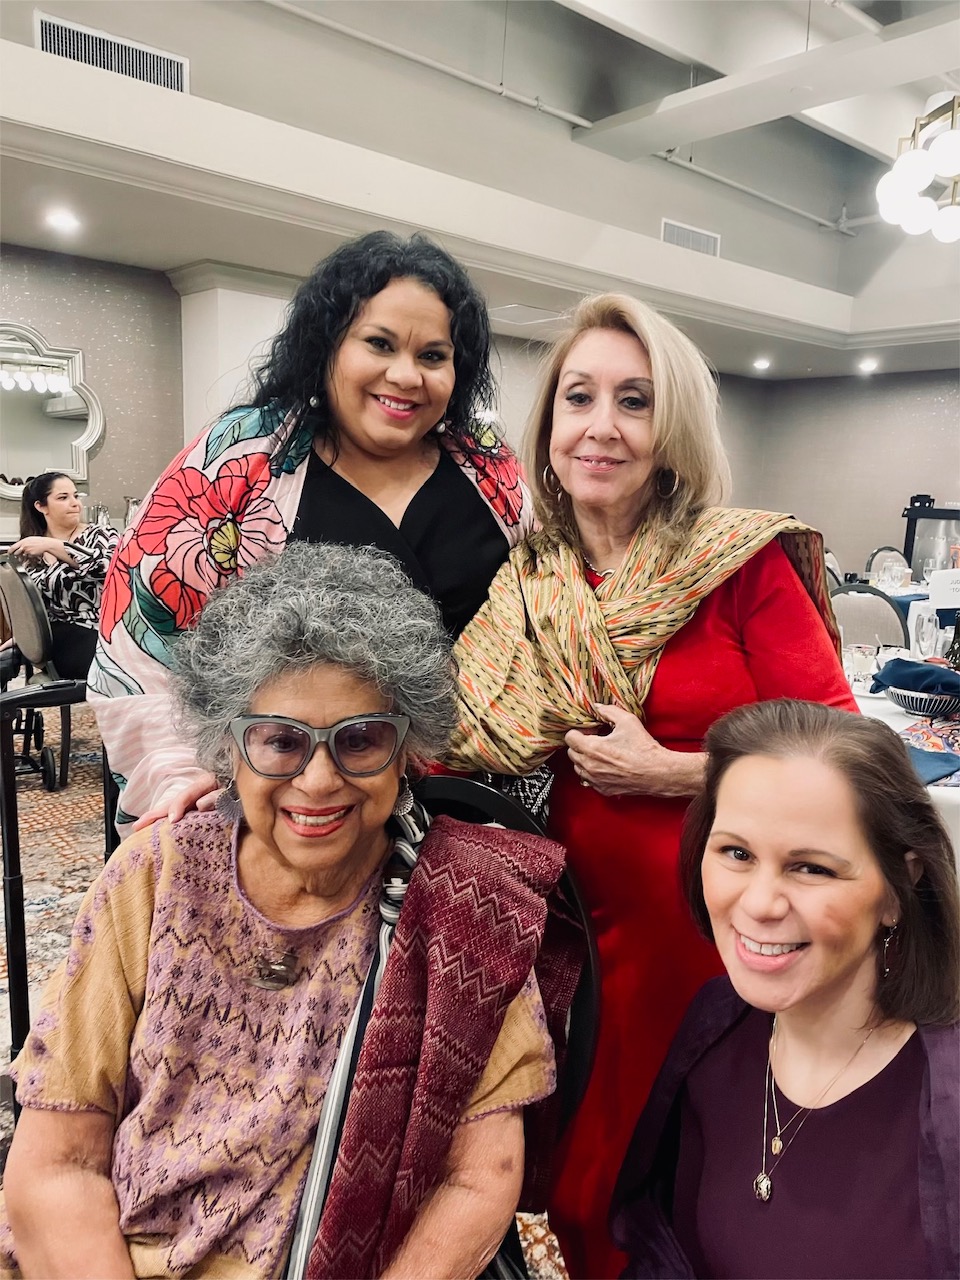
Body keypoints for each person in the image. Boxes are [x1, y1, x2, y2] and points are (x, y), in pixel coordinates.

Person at [1, 542, 579, 1280]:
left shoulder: (465, 908)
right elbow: (59, 1165)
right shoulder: (155, 877)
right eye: (280, 741)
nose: (318, 780)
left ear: (408, 747)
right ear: (228, 746)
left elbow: (478, 1178)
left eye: (360, 740)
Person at [447, 293, 858, 1277]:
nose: (602, 425)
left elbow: (844, 748)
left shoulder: (738, 564)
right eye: (579, 397)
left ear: (670, 431)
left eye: (634, 401)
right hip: (589, 940)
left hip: (737, 933)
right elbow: (451, 736)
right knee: (596, 1185)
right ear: (548, 425)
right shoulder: (529, 583)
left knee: (734, 1184)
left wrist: (673, 772)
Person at [88, 229, 534, 830]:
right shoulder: (242, 461)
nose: (406, 376)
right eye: (379, 343)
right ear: (327, 345)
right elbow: (138, 639)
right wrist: (187, 770)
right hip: (296, 801)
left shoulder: (489, 472)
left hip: (477, 809)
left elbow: (542, 615)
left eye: (433, 356)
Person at [612, 699, 960, 1280]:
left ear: (898, 889)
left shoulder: (945, 1106)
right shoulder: (713, 1032)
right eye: (737, 853)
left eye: (811, 868)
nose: (759, 903)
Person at [7, 472, 119, 679]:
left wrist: (52, 545)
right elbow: (38, 608)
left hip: (101, 632)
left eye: (76, 496)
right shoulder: (32, 550)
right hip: (56, 639)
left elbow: (108, 568)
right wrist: (26, 637)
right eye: (63, 497)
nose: (75, 503)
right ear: (41, 506)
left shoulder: (101, 535)